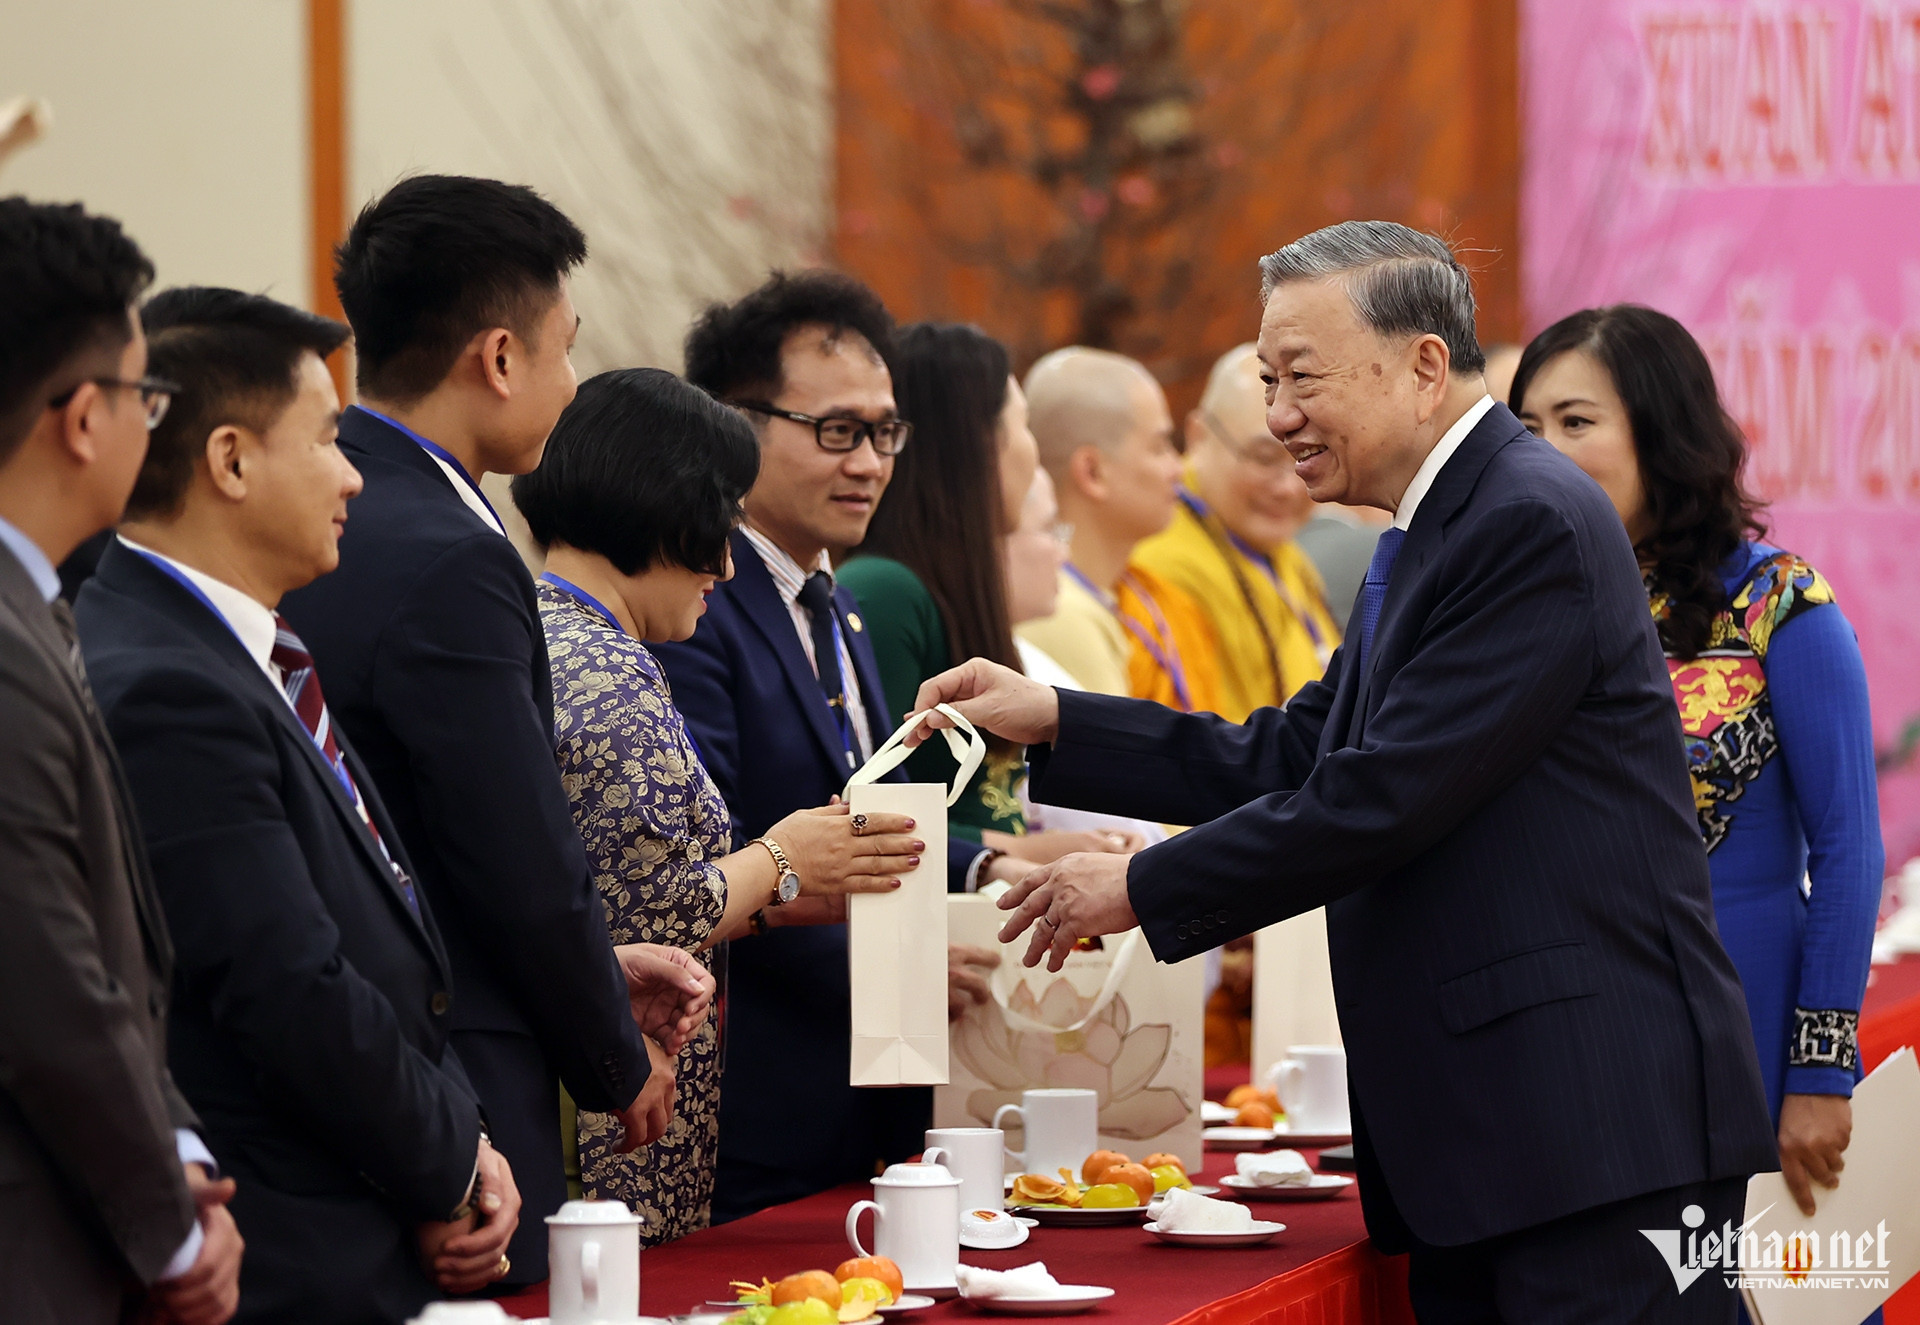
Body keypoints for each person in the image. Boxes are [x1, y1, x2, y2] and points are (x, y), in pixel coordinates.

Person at [912, 221, 1776, 1322]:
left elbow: (1382, 795)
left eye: (1300, 377)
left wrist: (1135, 886)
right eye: (1269, 380)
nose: (1278, 414)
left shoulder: (1527, 520)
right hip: (1508, 1138)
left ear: (1423, 365)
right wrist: (1055, 718)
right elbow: (1297, 749)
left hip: (1587, 1131)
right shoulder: (1432, 528)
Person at [278, 176, 712, 1284]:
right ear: (501, 357)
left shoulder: (341, 511)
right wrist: (614, 1056)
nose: (573, 382)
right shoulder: (451, 554)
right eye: (568, 348)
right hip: (452, 1071)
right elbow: (513, 849)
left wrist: (596, 970)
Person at [74, 287, 525, 1320]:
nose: (353, 473)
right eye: (325, 438)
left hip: (368, 1213)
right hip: (291, 1254)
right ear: (230, 461)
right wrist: (450, 1161)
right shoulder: (165, 684)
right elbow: (286, 986)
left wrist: (462, 1143)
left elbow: (387, 942)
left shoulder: (251, 647)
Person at [510, 367, 923, 1242]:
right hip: (612, 1124)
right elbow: (654, 910)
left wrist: (801, 875)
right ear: (661, 508)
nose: (728, 564)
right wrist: (786, 858)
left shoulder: (563, 637)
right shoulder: (606, 672)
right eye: (719, 523)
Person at [653, 271, 1011, 1222]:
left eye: (885, 433)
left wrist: (995, 868)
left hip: (869, 1102)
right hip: (758, 1105)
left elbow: (867, 825)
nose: (869, 463)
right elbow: (705, 865)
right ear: (733, 425)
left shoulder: (838, 605)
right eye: (837, 430)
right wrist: (891, 968)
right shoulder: (696, 606)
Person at [1513, 305, 1883, 1221]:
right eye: (1527, 427)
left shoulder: (1776, 601)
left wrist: (1820, 1072)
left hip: (1745, 1021)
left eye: (1576, 421)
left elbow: (1848, 848)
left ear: (1661, 431)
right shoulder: (1518, 608)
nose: (1543, 451)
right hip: (1569, 1045)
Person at [0, 197, 242, 1325]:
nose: (155, 424)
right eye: (148, 397)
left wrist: (178, 1154)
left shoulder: (40, 609)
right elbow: (42, 971)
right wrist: (172, 1216)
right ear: (84, 417)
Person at [841, 322, 1137, 864]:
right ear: (974, 446)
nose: (1034, 454)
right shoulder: (884, 592)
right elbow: (863, 812)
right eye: (1022, 426)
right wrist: (1030, 852)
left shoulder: (943, 593)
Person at [1133, 343, 1341, 718]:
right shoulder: (1166, 565)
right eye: (1264, 458)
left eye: (1307, 456)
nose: (1288, 487)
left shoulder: (1272, 546)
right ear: (1198, 435)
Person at [1014, 346, 1221, 712]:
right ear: (1093, 472)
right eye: (1159, 448)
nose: (1178, 468)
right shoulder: (1058, 612)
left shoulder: (1140, 596)